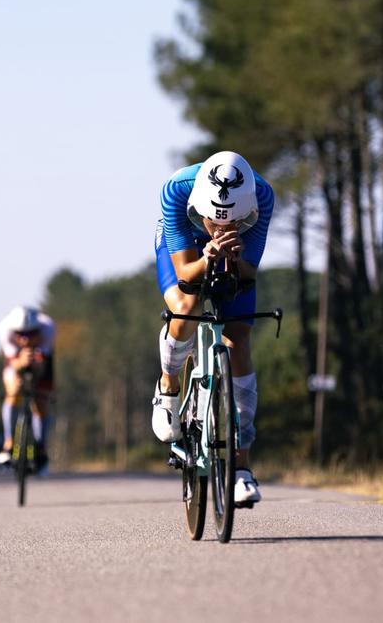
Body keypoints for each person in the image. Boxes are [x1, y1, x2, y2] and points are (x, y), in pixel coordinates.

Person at [151, 150, 274, 506]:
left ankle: (241, 468)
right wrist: (207, 257)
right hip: (187, 247)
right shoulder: (176, 190)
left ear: (247, 208)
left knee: (238, 337)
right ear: (200, 206)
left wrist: (233, 257)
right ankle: (168, 385)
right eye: (215, 221)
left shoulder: (263, 196)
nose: (222, 228)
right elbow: (187, 274)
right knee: (187, 306)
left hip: (231, 254)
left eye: (233, 221)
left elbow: (250, 273)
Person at [0, 305, 56, 473]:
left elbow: (42, 364)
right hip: (15, 358)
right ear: (14, 332)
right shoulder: (5, 329)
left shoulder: (48, 328)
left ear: (39, 330)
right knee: (13, 392)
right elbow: (12, 363)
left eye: (31, 334)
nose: (25, 339)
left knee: (41, 400)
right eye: (21, 334)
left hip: (41, 359)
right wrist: (21, 364)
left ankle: (40, 445)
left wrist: (35, 366)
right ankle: (9, 442)